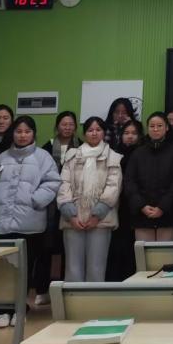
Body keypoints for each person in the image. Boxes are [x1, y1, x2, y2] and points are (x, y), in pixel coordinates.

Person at [0, 115, 61, 326]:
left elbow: (53, 182)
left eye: (27, 131)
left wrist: (35, 200)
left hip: (29, 223)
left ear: (33, 134)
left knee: (24, 269)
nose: (22, 135)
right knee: (3, 269)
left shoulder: (43, 157)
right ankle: (3, 310)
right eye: (18, 131)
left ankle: (19, 308)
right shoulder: (2, 157)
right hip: (0, 223)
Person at [58, 116, 122, 282]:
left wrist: (97, 215)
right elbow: (63, 184)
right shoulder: (72, 156)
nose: (94, 133)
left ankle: (93, 299)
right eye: (90, 130)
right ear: (84, 133)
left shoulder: (113, 157)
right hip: (73, 219)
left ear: (104, 133)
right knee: (73, 266)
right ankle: (73, 299)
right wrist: (71, 215)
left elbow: (113, 187)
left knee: (96, 267)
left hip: (101, 220)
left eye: (98, 130)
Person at [124, 112, 173, 241]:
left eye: (159, 126)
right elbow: (129, 181)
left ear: (167, 128)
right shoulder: (138, 152)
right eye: (152, 126)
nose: (155, 129)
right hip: (142, 214)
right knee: (144, 253)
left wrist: (163, 207)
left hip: (169, 213)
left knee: (165, 253)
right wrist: (141, 205)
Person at [39, 111, 81, 299]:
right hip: (49, 203)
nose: (67, 128)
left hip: (72, 201)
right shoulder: (47, 147)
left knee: (69, 248)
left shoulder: (82, 147)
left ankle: (66, 288)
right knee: (46, 246)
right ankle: (42, 289)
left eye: (71, 124)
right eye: (64, 124)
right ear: (57, 126)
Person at [105, 119, 142, 281]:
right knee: (115, 245)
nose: (130, 136)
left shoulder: (143, 154)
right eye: (126, 133)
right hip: (116, 204)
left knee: (131, 246)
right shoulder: (114, 155)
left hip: (136, 206)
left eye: (134, 133)